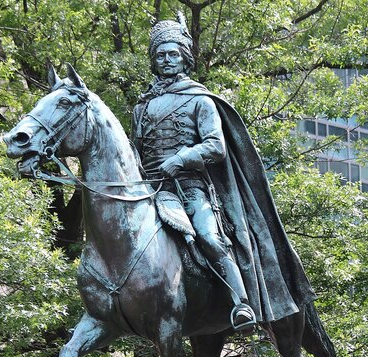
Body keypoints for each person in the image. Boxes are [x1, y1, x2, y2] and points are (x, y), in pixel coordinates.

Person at [132, 13, 316, 331]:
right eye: (160, 55)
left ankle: (240, 303)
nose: (166, 60)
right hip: (151, 190)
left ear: (184, 57)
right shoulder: (142, 107)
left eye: (172, 53)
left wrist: (182, 158)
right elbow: (135, 149)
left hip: (190, 187)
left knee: (209, 237)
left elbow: (215, 146)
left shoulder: (200, 100)